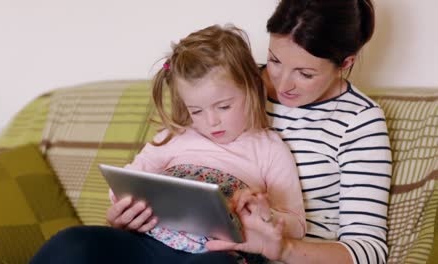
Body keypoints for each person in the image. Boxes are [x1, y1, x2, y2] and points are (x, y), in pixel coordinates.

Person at [30, 24, 305, 264]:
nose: (211, 122)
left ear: (252, 87)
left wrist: (266, 215)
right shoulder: (175, 137)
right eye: (196, 111)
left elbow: (297, 225)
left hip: (214, 253)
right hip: (147, 244)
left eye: (223, 106)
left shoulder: (269, 148)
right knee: (74, 241)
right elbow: (127, 181)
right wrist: (122, 207)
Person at [205, 0, 392, 264]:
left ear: (345, 63)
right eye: (275, 60)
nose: (283, 84)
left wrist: (282, 249)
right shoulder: (236, 87)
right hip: (199, 243)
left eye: (305, 74)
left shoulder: (360, 121)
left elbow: (369, 250)